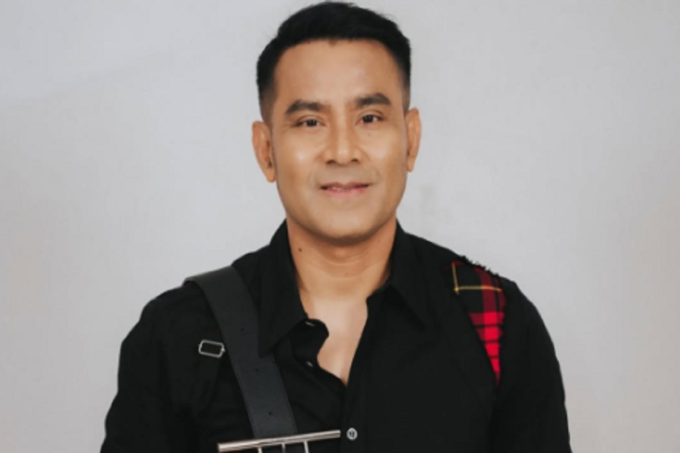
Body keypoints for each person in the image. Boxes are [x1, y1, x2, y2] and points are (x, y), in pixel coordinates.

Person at [101, 2, 571, 452]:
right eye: (310, 122)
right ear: (266, 151)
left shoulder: (495, 321)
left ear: (411, 140)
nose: (342, 151)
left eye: (369, 118)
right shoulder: (177, 335)